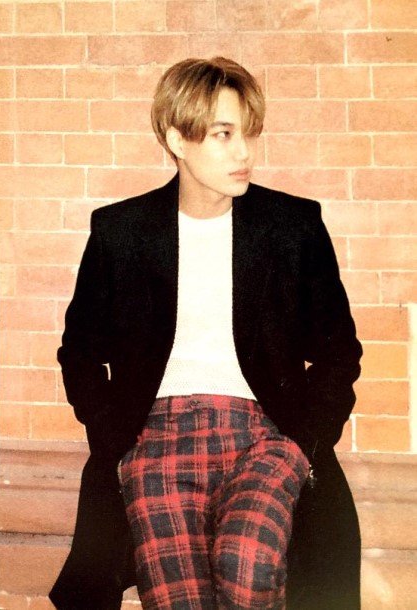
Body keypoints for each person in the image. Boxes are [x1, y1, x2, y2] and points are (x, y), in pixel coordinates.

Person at [49, 57, 362, 610]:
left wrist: (306, 440)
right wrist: (113, 439)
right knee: (179, 598)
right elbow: (79, 353)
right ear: (178, 139)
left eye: (248, 134)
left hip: (265, 433)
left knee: (249, 562)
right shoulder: (122, 232)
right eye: (223, 134)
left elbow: (340, 352)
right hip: (156, 438)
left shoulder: (291, 227)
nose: (245, 153)